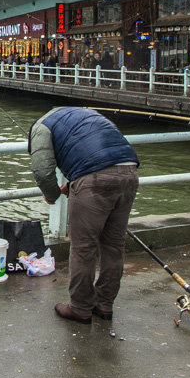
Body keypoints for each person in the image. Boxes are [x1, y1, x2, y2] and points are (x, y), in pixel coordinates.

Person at [29, 107, 139, 323]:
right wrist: (73, 183)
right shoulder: (85, 115)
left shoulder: (40, 128)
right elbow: (94, 151)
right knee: (114, 245)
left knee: (83, 247)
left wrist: (51, 196)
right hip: (129, 172)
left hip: (94, 179)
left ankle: (80, 307)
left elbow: (42, 170)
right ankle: (104, 305)